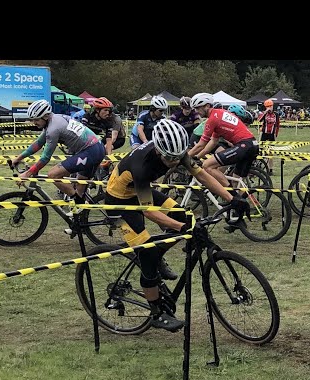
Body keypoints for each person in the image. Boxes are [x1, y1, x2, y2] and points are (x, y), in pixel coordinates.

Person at [104, 119, 250, 332]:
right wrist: (181, 229)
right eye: (169, 159)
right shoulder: (141, 166)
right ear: (158, 150)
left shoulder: (178, 152)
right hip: (120, 201)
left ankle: (158, 255)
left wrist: (231, 198)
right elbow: (149, 211)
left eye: (177, 158)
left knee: (186, 218)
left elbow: (201, 174)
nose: (173, 162)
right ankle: (156, 312)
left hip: (138, 192)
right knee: (148, 255)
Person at [11, 99, 105, 202]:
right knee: (80, 186)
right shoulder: (54, 119)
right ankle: (80, 212)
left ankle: (77, 201)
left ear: (46, 116)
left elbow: (45, 158)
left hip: (90, 151)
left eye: (36, 120)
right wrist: (18, 158)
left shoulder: (53, 129)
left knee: (53, 175)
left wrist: (27, 173)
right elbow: (38, 143)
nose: (34, 123)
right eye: (32, 119)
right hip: (95, 148)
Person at [187, 93, 259, 189]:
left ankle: (231, 195)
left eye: (198, 108)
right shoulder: (220, 113)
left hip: (244, 145)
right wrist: (197, 157)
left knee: (207, 165)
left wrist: (185, 158)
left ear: (207, 106)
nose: (196, 111)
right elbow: (213, 142)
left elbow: (201, 145)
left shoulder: (212, 119)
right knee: (236, 182)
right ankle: (240, 201)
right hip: (252, 145)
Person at [258, 99, 280, 175]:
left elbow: (277, 125)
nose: (270, 108)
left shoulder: (276, 114)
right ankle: (260, 166)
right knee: (261, 151)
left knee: (270, 153)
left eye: (271, 106)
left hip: (271, 135)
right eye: (268, 106)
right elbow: (259, 120)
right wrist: (265, 112)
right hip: (264, 134)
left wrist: (276, 135)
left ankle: (270, 169)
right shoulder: (264, 114)